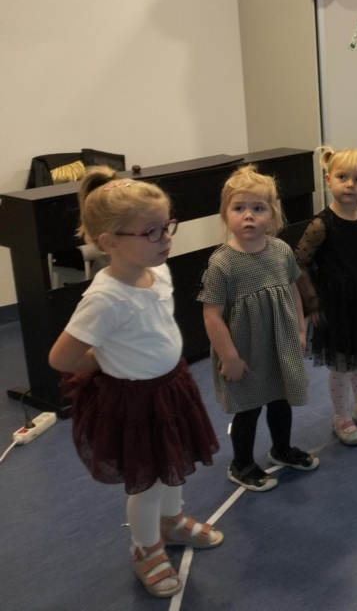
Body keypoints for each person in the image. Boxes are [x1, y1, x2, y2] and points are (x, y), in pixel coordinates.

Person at [49, 168, 220, 599]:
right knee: (148, 481)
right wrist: (104, 359)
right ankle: (146, 548)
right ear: (109, 242)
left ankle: (172, 521)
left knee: (175, 459)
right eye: (151, 232)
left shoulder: (157, 272)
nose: (166, 238)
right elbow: (62, 357)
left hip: (171, 387)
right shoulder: (104, 298)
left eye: (167, 226)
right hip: (135, 401)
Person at [199, 166, 315, 494]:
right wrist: (229, 357)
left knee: (280, 400)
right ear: (226, 215)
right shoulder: (222, 264)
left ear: (273, 214)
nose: (248, 216)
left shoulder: (280, 251)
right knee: (248, 408)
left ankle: (282, 448)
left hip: (279, 345)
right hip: (244, 351)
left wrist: (300, 330)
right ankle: (242, 464)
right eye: (239, 208)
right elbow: (211, 316)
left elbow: (292, 291)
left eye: (258, 208)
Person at [295, 147, 357, 447]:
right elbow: (299, 264)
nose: (350, 185)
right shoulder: (321, 224)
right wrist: (313, 303)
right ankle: (341, 416)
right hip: (334, 303)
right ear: (328, 179)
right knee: (340, 364)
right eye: (342, 177)